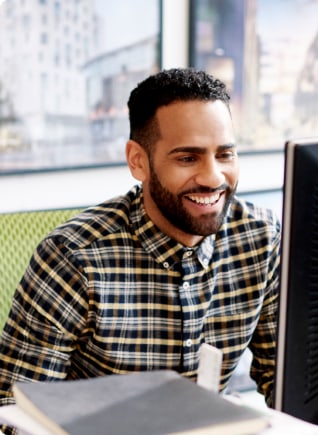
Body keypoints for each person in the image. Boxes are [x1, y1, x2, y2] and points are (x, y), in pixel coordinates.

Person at [0, 68, 280, 421]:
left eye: (224, 155)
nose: (213, 177)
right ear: (138, 161)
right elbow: (14, 415)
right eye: (187, 158)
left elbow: (285, 383)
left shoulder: (261, 239)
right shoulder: (74, 258)